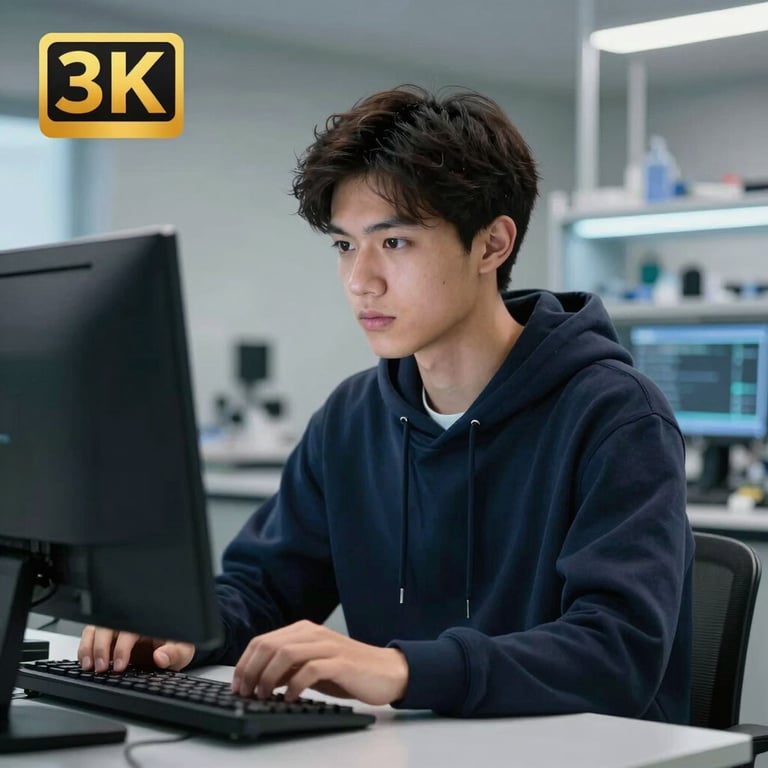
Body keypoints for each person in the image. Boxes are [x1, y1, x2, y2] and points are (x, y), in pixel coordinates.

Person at [78, 84, 693, 722]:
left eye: (393, 243)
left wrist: (403, 670)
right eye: (345, 245)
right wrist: (179, 631)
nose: (359, 279)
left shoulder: (617, 417)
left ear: (491, 245)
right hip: (413, 749)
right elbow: (261, 589)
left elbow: (617, 652)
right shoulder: (351, 419)